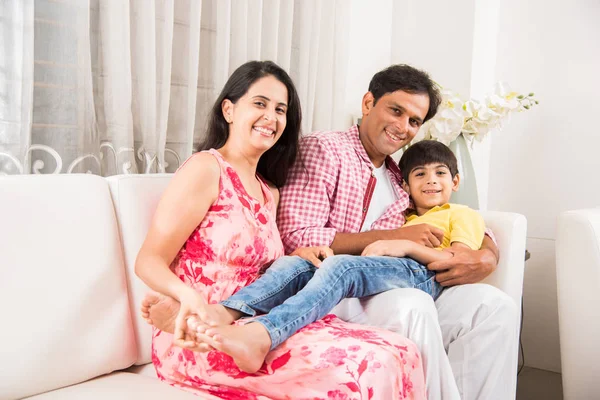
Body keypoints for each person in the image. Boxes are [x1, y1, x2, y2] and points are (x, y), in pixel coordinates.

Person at [135, 60, 426, 399]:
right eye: (259, 104)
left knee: (400, 351)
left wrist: (299, 255)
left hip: (257, 317)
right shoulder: (206, 168)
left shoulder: (268, 190)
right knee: (368, 366)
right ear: (229, 110)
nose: (270, 117)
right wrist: (186, 298)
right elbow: (148, 261)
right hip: (204, 333)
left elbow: (261, 271)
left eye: (280, 110)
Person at [192, 140, 486, 376]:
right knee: (299, 264)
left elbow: (454, 258)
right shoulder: (402, 213)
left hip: (424, 273)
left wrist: (403, 245)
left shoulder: (461, 214)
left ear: (456, 181)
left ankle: (263, 335)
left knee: (342, 267)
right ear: (406, 187)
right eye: (420, 174)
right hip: (393, 270)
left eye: (440, 173)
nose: (431, 181)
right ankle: (227, 310)